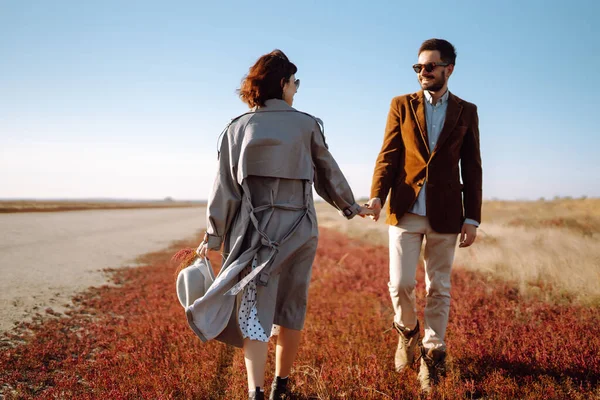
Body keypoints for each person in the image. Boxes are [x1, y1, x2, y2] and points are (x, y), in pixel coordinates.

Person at [191, 49, 371, 400]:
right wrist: (352, 207)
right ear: (283, 83)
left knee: (255, 309)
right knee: (292, 306)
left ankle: (255, 391)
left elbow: (224, 189)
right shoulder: (307, 124)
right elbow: (327, 174)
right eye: (294, 82)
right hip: (300, 230)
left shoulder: (236, 128)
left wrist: (213, 236)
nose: (296, 89)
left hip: (255, 232)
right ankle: (281, 387)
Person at [366, 38, 482, 393]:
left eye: (430, 66)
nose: (423, 73)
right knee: (399, 284)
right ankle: (406, 333)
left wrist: (472, 218)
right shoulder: (401, 105)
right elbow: (388, 154)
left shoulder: (466, 110)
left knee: (439, 288)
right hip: (405, 209)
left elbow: (472, 167)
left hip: (447, 214)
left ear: (449, 68)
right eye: (418, 67)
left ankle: (433, 355)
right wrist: (376, 197)